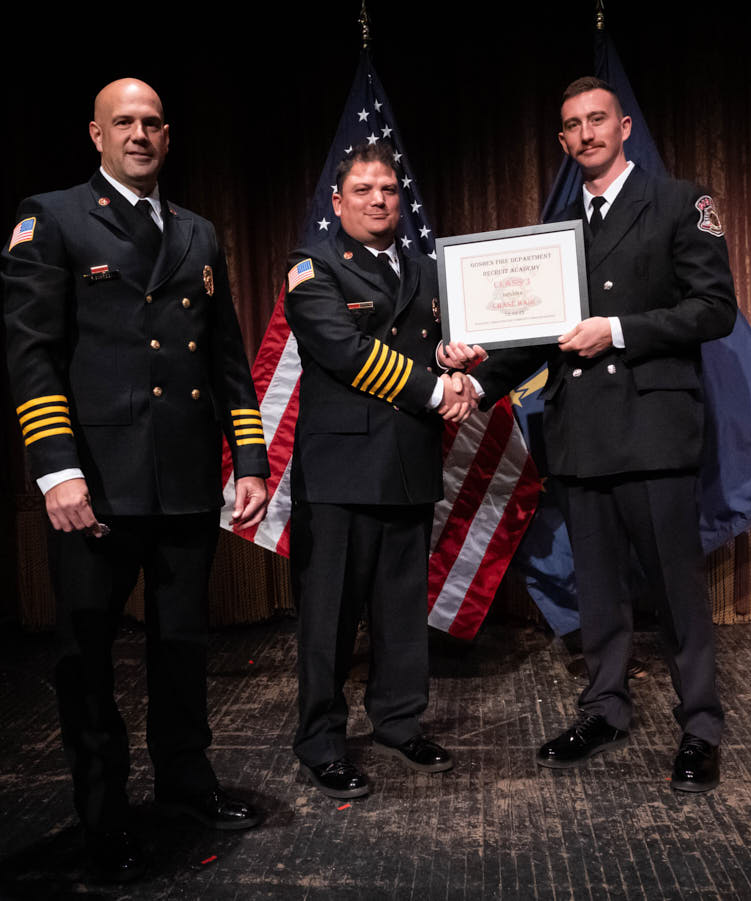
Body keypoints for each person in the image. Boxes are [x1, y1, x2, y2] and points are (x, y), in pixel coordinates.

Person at [1, 78, 271, 881]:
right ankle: (104, 815)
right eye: (124, 122)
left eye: (152, 122)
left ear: (168, 134)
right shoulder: (53, 218)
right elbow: (32, 353)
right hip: (96, 485)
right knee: (86, 657)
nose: (140, 134)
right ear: (97, 134)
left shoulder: (198, 231)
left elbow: (226, 356)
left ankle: (186, 781)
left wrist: (249, 459)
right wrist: (56, 469)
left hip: (184, 478)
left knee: (182, 645)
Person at [449, 76, 737, 792]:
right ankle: (605, 709)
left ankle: (700, 726)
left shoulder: (680, 203)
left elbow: (714, 309)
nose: (587, 133)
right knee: (599, 591)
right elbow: (534, 334)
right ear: (563, 140)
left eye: (598, 119)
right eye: (574, 125)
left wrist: (617, 329)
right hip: (581, 434)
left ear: (624, 126)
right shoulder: (557, 234)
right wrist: (476, 383)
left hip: (652, 428)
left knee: (675, 591)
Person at [283, 143, 472, 799]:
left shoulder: (428, 270)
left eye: (389, 189)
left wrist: (457, 367)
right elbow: (344, 349)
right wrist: (435, 390)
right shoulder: (313, 267)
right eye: (363, 190)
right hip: (339, 471)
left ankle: (398, 721)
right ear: (338, 202)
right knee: (329, 617)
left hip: (408, 462)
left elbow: (443, 345)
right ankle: (321, 741)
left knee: (401, 610)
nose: (378, 200)